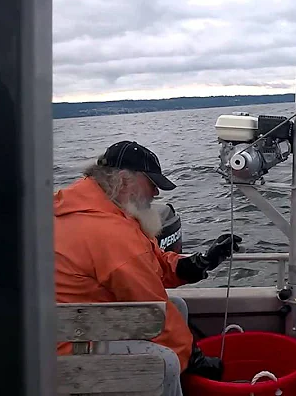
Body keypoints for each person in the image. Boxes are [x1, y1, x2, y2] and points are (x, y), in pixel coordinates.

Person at [53, 140, 242, 396]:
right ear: (125, 180)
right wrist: (194, 358)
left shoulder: (95, 206)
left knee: (178, 307)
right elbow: (151, 308)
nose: (156, 194)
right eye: (151, 184)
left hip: (86, 320)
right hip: (69, 348)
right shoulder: (109, 232)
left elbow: (153, 264)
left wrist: (201, 262)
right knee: (165, 361)